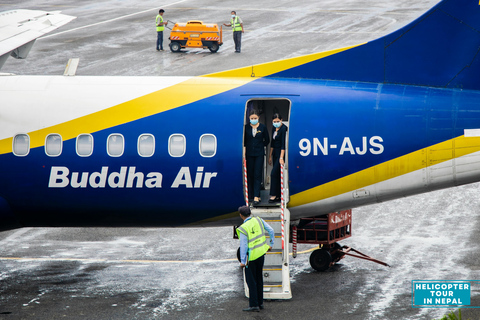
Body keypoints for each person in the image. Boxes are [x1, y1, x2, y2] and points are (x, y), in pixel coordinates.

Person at [236, 205, 274, 312]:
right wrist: (271, 244)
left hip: (251, 257)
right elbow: (270, 230)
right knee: (259, 278)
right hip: (261, 254)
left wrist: (243, 261)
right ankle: (260, 303)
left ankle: (254, 305)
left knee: (251, 281)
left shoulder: (243, 228)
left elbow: (244, 247)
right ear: (250, 213)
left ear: (241, 215)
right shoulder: (259, 220)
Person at [244, 110, 269, 206]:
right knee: (250, 174)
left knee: (257, 174)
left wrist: (260, 146)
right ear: (249, 118)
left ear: (258, 117)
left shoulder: (263, 127)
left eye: (255, 118)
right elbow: (245, 142)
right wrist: (244, 155)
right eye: (251, 118)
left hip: (259, 154)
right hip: (249, 154)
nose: (253, 120)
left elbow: (267, 140)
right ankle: (251, 195)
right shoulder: (246, 128)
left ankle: (256, 196)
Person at [268, 113, 288, 203]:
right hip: (274, 153)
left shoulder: (284, 129)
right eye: (274, 121)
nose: (276, 123)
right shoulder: (273, 128)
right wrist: (270, 156)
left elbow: (283, 144)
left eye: (277, 121)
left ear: (281, 120)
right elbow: (272, 143)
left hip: (281, 153)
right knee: (276, 175)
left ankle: (274, 195)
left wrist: (281, 157)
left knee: (273, 173)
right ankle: (278, 195)